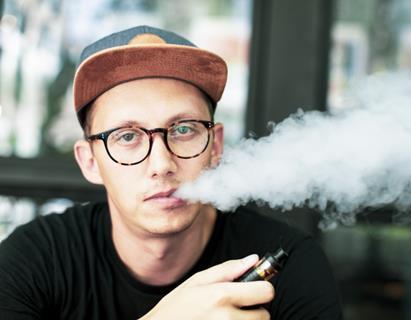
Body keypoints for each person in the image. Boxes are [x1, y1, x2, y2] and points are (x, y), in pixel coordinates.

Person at [0, 25, 342, 319]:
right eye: (128, 136)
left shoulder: (294, 265)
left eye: (183, 130)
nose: (162, 164)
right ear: (89, 161)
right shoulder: (32, 262)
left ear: (215, 146)